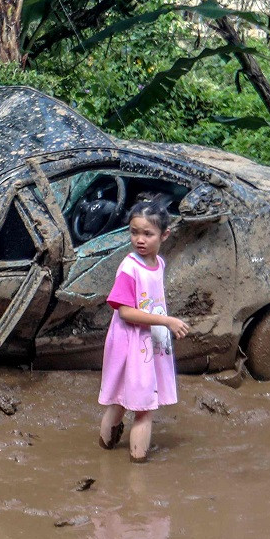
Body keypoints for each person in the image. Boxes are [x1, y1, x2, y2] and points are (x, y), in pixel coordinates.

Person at [97, 198, 190, 463]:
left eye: (147, 234)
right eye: (134, 232)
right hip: (132, 342)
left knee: (122, 399)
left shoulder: (158, 263)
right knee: (144, 409)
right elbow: (125, 311)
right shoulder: (129, 267)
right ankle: (137, 471)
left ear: (164, 235)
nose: (140, 239)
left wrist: (163, 323)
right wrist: (167, 322)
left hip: (147, 342)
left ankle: (104, 452)